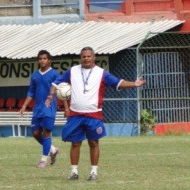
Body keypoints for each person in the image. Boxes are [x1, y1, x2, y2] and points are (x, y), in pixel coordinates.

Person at [46, 46, 145, 181]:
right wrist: (51, 96)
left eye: (88, 56)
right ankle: (74, 172)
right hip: (76, 114)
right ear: (80, 58)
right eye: (83, 56)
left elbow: (118, 82)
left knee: (93, 142)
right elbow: (55, 83)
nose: (86, 58)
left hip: (94, 114)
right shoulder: (72, 71)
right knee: (75, 143)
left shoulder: (101, 73)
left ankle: (93, 172)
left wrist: (134, 84)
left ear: (94, 57)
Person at [19, 50, 60, 168]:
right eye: (40, 58)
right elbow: (31, 92)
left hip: (49, 108)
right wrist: (24, 106)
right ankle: (52, 149)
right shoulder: (35, 75)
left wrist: (66, 108)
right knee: (36, 133)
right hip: (37, 108)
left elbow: (62, 92)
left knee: (46, 132)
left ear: (49, 60)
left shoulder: (54, 74)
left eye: (45, 58)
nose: (42, 60)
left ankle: (43, 159)